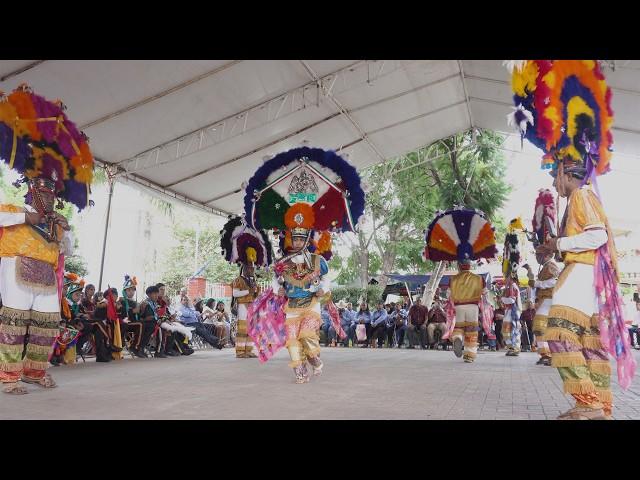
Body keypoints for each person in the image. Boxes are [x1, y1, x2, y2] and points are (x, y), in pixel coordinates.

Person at [0, 176, 74, 394]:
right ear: (32, 194)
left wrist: (66, 229)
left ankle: (34, 373)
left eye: (51, 196)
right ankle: (9, 376)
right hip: (17, 265)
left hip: (46, 274)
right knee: (15, 323)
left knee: (47, 325)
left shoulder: (55, 224)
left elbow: (68, 250)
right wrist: (25, 217)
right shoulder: (15, 210)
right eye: (43, 195)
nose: (48, 199)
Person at [273, 219, 331, 383]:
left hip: (311, 304)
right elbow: (275, 281)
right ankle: (301, 373)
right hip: (291, 306)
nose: (298, 242)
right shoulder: (283, 262)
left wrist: (323, 289)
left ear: (306, 240)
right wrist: (279, 289)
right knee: (292, 342)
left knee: (306, 335)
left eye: (301, 239)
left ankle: (315, 361)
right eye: (295, 239)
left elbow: (326, 279)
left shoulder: (317, 260)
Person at [524, 252, 560, 366]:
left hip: (549, 300)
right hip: (544, 300)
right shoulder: (545, 266)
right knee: (542, 328)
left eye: (539, 255)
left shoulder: (551, 265)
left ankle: (548, 355)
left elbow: (555, 281)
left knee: (540, 326)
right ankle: (546, 354)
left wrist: (538, 283)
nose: (537, 257)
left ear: (547, 255)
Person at [449, 259, 485, 362]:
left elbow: (448, 295)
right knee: (471, 331)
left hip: (459, 307)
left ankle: (457, 338)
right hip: (473, 308)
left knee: (459, 328)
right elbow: (484, 292)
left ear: (459, 266)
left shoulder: (453, 279)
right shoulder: (479, 279)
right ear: (470, 265)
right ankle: (469, 355)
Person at [501, 277, 522, 357]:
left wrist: (502, 299)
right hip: (512, 311)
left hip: (512, 311)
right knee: (512, 330)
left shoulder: (512, 286)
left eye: (506, 277)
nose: (504, 279)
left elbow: (512, 300)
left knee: (508, 330)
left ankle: (513, 348)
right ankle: (513, 348)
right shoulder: (511, 286)